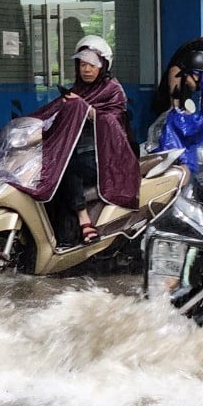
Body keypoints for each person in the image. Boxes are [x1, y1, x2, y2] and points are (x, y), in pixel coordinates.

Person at [14, 35, 140, 247]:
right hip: (77, 152)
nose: (86, 70)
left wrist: (87, 111)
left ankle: (83, 219)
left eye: (92, 65)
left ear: (103, 66)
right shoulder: (77, 90)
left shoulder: (113, 90)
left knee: (67, 166)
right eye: (82, 64)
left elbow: (114, 122)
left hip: (105, 157)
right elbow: (53, 118)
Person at [152, 16, 203, 118]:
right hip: (169, 104)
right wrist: (175, 106)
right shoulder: (199, 48)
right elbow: (175, 71)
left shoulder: (200, 47)